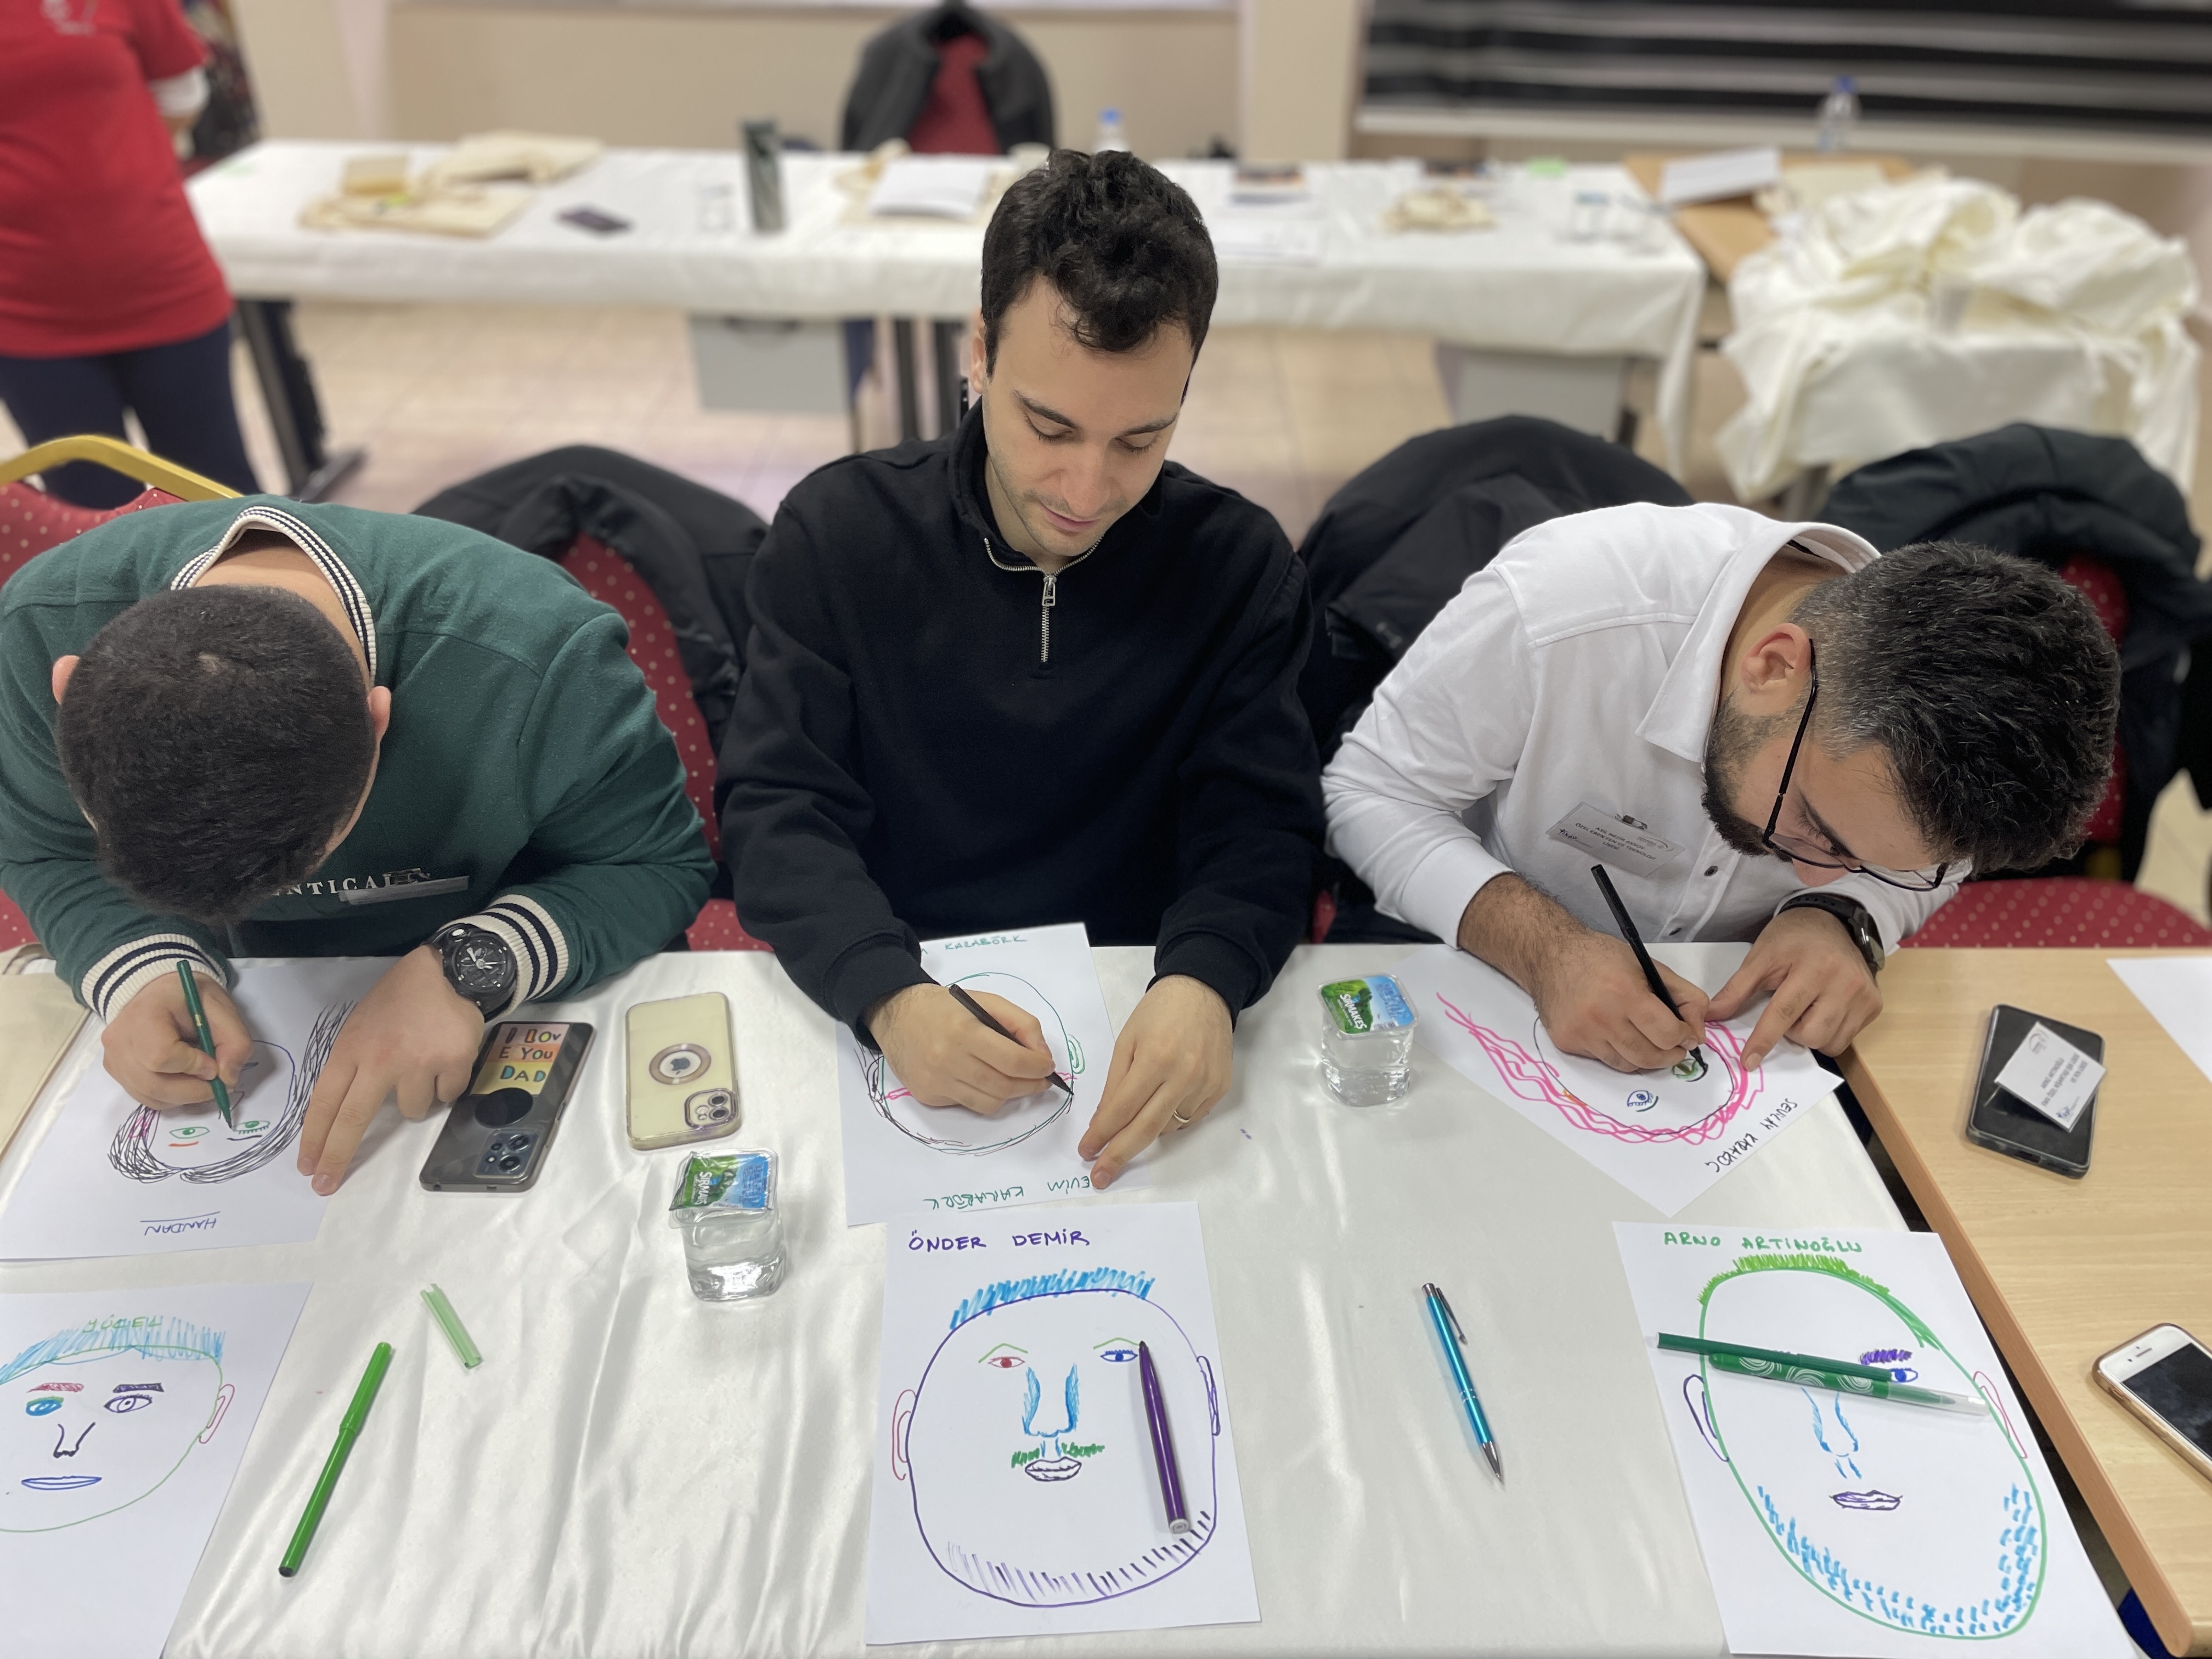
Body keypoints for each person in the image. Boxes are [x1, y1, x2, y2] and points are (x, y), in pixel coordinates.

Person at [719, 149, 1323, 1189]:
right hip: (895, 977)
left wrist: (1207, 979)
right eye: (1049, 426)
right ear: (980, 351)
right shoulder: (837, 535)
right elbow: (777, 807)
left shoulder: (1240, 567)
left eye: (1140, 439)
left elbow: (1261, 823)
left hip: (1140, 997)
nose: (1085, 490)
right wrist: (886, 992)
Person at [0, 499, 714, 1191]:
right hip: (265, 1017)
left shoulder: (538, 653)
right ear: (65, 689)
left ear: (377, 722)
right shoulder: (30, 637)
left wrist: (469, 969)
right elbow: (44, 849)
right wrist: (139, 966)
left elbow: (655, 863)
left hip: (526, 1012)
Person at [1323, 505, 2118, 1071]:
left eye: (1872, 862)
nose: (1810, 872)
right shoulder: (1565, 611)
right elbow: (1368, 794)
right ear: (1774, 668)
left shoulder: (1950, 759)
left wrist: (1847, 916)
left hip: (1728, 1055)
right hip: (1474, 976)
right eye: (1815, 824)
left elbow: (1919, 867)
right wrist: (1546, 951)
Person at [0, 0, 260, 506]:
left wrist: (111, 164)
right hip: (26, 314)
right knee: (93, 515)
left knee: (218, 500)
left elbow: (181, 91)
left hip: (163, 280)